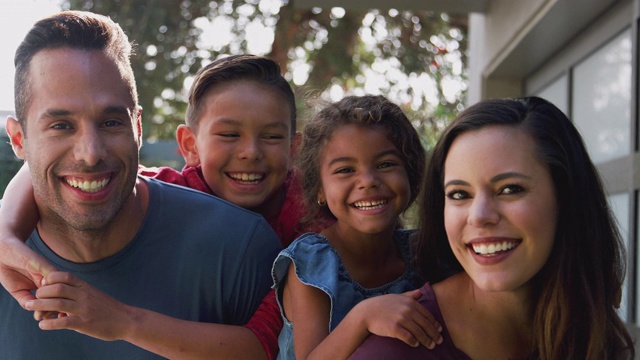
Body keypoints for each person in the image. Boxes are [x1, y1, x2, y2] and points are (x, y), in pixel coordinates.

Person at [0, 10, 281, 359]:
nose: (90, 154)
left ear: (138, 127)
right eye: (61, 125)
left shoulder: (239, 248)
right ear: (19, 139)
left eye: (111, 122)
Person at [350, 96, 636, 359]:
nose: (479, 216)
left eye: (510, 189)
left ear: (566, 197)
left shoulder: (590, 322)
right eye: (460, 194)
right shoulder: (395, 349)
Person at [272, 94, 443, 360]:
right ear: (319, 189)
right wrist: (363, 317)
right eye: (345, 170)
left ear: (411, 174)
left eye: (386, 165)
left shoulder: (421, 252)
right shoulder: (311, 262)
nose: (368, 181)